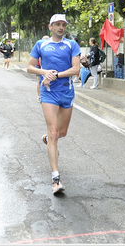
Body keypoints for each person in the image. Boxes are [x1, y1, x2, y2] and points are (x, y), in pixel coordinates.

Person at [27, 14, 81, 194]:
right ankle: (56, 179)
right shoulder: (40, 45)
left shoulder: (72, 45)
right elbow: (30, 67)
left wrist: (56, 75)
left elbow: (75, 69)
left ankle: (47, 139)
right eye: (57, 24)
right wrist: (44, 72)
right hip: (48, 93)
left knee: (62, 132)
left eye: (63, 24)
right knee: (54, 132)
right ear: (50, 27)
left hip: (66, 92)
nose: (61, 27)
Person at [36, 35, 50, 102]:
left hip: (46, 66)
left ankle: (44, 95)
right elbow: (39, 59)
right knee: (39, 81)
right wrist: (42, 69)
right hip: (40, 66)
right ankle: (39, 96)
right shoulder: (41, 46)